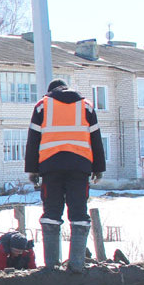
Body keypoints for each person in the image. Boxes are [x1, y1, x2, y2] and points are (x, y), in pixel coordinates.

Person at [24, 78, 106, 272]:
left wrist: (32, 169)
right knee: (79, 212)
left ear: (50, 91)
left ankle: (52, 266)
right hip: (80, 166)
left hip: (50, 166)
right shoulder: (86, 107)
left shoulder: (41, 106)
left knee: (51, 212)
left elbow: (33, 140)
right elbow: (96, 138)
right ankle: (77, 264)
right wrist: (98, 167)